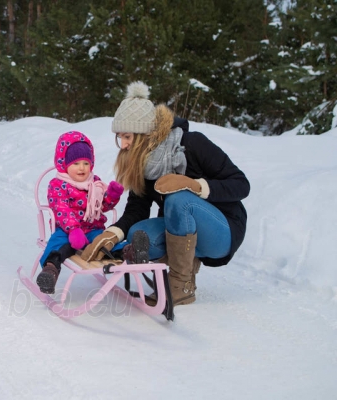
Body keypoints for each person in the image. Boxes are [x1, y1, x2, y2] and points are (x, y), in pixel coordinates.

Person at [81, 81, 250, 306]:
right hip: (182, 229)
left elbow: (241, 184)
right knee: (137, 233)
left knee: (179, 199)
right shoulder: (141, 163)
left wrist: (196, 185)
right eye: (120, 137)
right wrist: (113, 234)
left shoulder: (192, 143)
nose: (123, 145)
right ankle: (186, 268)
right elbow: (137, 209)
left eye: (128, 137)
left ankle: (181, 284)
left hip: (223, 229)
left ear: (143, 134)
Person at [36, 131, 124, 294]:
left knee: (103, 241)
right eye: (76, 163)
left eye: (85, 163)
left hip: (92, 228)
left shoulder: (95, 183)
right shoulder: (57, 185)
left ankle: (126, 251)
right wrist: (73, 230)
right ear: (65, 164)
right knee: (57, 244)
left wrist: (112, 196)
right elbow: (61, 208)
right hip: (66, 229)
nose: (82, 168)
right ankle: (50, 270)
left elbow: (102, 207)